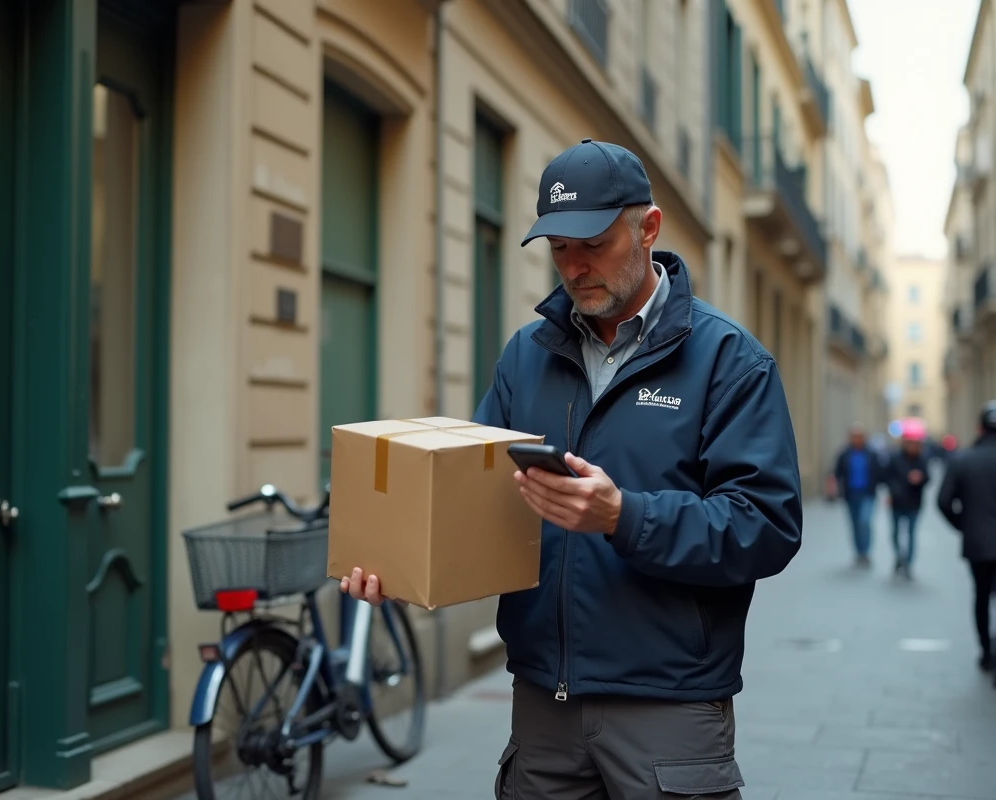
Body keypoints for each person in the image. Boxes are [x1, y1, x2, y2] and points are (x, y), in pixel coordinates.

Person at [340, 138, 803, 798]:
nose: (574, 265)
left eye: (593, 243)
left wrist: (624, 516)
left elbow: (767, 525)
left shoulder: (730, 361)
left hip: (668, 708)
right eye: (559, 247)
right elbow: (474, 499)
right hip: (540, 708)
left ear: (648, 228)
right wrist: (399, 560)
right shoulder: (524, 356)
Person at [937, 401, 996, 689]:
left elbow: (943, 501)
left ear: (980, 428)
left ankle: (986, 653)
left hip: (977, 544)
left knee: (981, 598)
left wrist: (963, 526)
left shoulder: (962, 460)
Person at [831, 424, 885, 567]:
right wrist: (833, 488)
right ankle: (858, 552)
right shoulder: (845, 454)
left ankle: (866, 551)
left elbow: (880, 473)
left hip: (867, 494)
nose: (857, 439)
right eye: (854, 437)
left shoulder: (872, 454)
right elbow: (837, 472)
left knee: (864, 521)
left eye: (859, 437)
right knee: (854, 524)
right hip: (851, 495)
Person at [883, 429, 930, 579]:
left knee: (911, 534)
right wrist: (892, 492)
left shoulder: (922, 459)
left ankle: (908, 563)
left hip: (914, 503)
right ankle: (899, 556)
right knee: (895, 533)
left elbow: (928, 478)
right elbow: (887, 477)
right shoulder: (895, 458)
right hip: (897, 502)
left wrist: (920, 478)